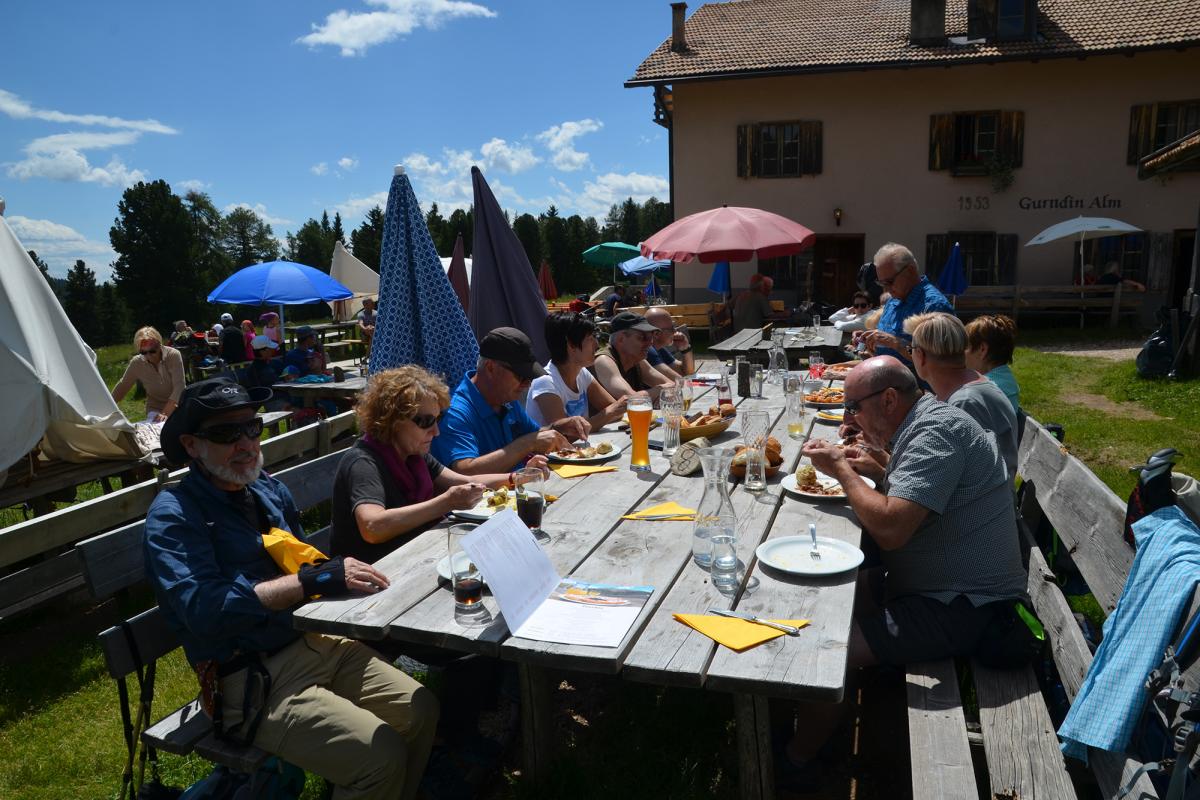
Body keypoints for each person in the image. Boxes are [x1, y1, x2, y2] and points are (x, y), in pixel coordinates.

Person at [144, 377, 437, 799]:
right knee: (380, 757)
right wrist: (307, 581)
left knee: (421, 709)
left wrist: (327, 579)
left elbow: (303, 566)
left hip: (316, 639)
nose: (245, 443)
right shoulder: (175, 516)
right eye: (226, 434)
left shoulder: (268, 490)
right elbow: (204, 611)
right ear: (191, 446)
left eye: (252, 427)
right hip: (248, 675)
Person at [782, 357, 1025, 790]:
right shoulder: (927, 421)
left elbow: (892, 529)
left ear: (890, 398)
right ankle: (825, 718)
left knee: (827, 653)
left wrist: (840, 468)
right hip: (935, 588)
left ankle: (795, 762)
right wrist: (879, 470)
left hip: (965, 604)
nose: (848, 419)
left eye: (853, 406)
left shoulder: (937, 433)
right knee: (834, 591)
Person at [331, 366, 513, 564]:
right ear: (393, 420)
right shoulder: (363, 462)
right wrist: (446, 502)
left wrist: (515, 478)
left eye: (438, 419)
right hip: (376, 574)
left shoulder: (413, 455)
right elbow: (373, 527)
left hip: (415, 557)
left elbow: (467, 481)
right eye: (426, 421)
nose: (436, 431)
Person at [431, 327, 583, 475]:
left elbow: (535, 435)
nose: (528, 384)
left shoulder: (505, 398)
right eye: (521, 376)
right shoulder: (456, 413)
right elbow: (464, 471)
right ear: (491, 368)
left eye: (530, 377)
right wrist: (527, 444)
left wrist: (557, 427)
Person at [903, 312, 1018, 481]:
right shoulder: (968, 389)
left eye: (910, 350)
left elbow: (937, 478)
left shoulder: (964, 404)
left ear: (920, 356)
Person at [854, 243, 954, 368]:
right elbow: (886, 348)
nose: (886, 288)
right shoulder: (893, 300)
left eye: (889, 282)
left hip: (918, 387)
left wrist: (897, 344)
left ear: (910, 271)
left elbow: (936, 362)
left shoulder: (934, 306)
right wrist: (867, 341)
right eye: (881, 283)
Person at [527, 312, 628, 430]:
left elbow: (617, 412)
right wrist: (611, 411)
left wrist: (613, 410)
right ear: (571, 345)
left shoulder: (581, 373)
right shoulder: (545, 382)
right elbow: (566, 433)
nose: (597, 345)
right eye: (590, 339)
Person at [592, 312, 674, 401]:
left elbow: (672, 386)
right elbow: (631, 399)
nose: (650, 342)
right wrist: (661, 389)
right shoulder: (604, 360)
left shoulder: (636, 359)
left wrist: (662, 389)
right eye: (643, 337)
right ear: (621, 339)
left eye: (651, 337)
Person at [111, 326, 186, 423]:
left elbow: (179, 386)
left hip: (179, 405)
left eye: (152, 351)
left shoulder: (173, 355)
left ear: (159, 345)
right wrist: (107, 407)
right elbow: (123, 385)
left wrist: (165, 413)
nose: (148, 355)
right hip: (155, 409)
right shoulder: (136, 363)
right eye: (143, 352)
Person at [965, 314, 1020, 413]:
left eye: (965, 347)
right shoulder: (1005, 378)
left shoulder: (984, 390)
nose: (962, 353)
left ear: (982, 350)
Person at [644, 305, 696, 379]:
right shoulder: (649, 351)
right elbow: (678, 379)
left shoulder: (659, 349)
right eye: (671, 328)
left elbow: (688, 372)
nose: (675, 331)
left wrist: (686, 349)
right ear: (656, 334)